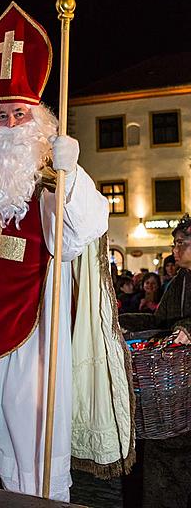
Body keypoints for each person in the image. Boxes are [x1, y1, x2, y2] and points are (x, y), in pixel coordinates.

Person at [0, 2, 134, 502]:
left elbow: (86, 229)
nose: (11, 122)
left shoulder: (50, 185)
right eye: (3, 114)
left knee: (31, 436)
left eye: (20, 114)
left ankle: (37, 495)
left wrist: (71, 170)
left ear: (38, 123)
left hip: (37, 340)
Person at [120, 214, 191, 508]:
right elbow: (160, 321)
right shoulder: (179, 281)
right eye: (174, 243)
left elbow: (179, 325)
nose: (174, 250)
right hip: (174, 386)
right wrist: (121, 320)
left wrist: (187, 328)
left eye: (181, 243)